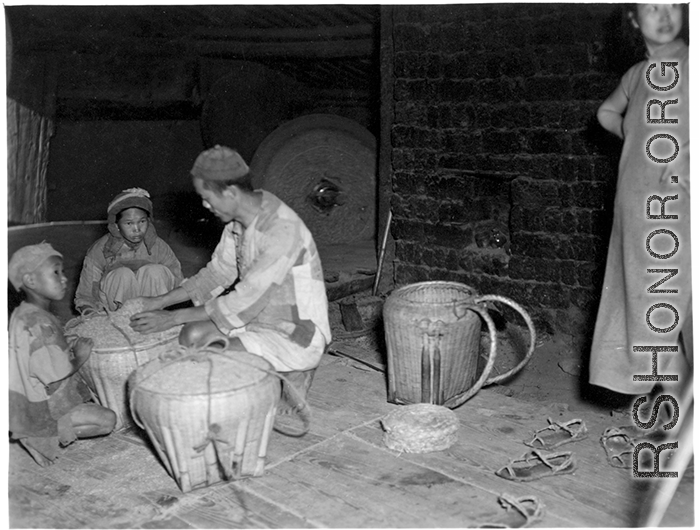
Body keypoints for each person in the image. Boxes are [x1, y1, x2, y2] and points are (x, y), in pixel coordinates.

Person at [129, 145, 331, 382]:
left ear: (231, 193)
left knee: (206, 363)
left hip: (293, 334)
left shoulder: (281, 232)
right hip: (259, 320)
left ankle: (296, 371)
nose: (205, 205)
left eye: (207, 198)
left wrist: (172, 317)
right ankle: (266, 372)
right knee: (191, 336)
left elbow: (244, 301)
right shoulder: (240, 220)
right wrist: (160, 301)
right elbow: (216, 274)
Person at [590, 4, 690, 398]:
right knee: (648, 305)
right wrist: (634, 139)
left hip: (681, 201)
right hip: (637, 202)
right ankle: (678, 413)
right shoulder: (635, 76)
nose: (664, 15)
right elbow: (605, 111)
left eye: (672, 4)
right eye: (651, 7)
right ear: (634, 20)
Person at [9, 243, 117, 467]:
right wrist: (79, 356)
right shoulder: (34, 322)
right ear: (31, 281)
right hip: (34, 405)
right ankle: (36, 436)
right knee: (107, 421)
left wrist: (62, 344)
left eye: (63, 271)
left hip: (31, 397)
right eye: (55, 273)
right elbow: (53, 375)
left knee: (85, 399)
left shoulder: (30, 313)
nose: (64, 278)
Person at [74, 187, 184, 313]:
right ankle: (124, 318)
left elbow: (178, 284)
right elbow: (86, 296)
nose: (137, 229)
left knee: (155, 271)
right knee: (122, 274)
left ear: (149, 221)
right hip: (115, 312)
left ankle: (154, 316)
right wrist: (93, 318)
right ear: (116, 225)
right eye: (129, 223)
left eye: (142, 221)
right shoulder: (100, 250)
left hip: (154, 309)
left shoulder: (159, 246)